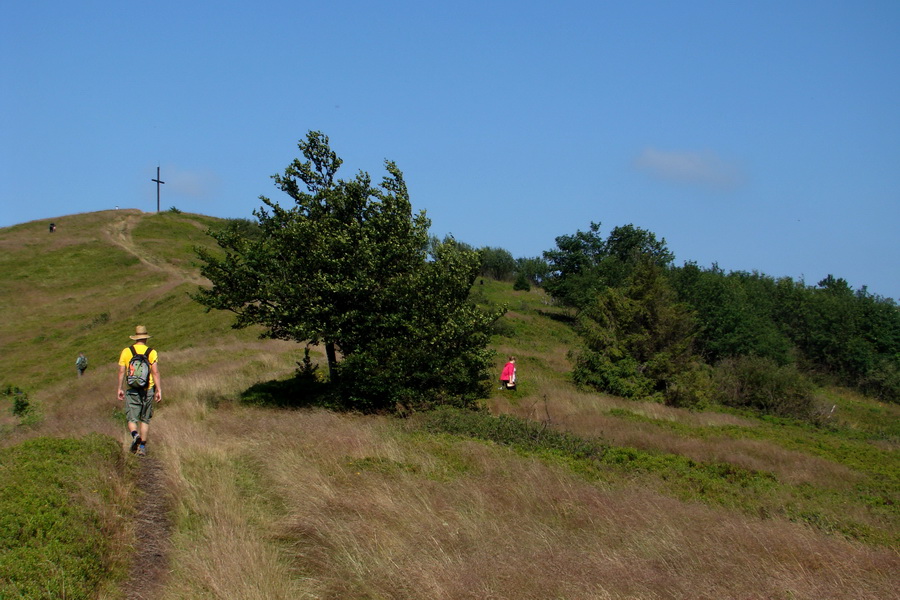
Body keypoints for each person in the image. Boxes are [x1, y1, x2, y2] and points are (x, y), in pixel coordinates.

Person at [117, 325, 162, 457]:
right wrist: (159, 390)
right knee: (145, 419)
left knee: (132, 418)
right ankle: (142, 447)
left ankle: (135, 435)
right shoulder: (151, 352)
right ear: (146, 338)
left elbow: (121, 371)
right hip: (148, 389)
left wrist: (119, 388)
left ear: (135, 337)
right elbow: (155, 372)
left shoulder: (126, 351)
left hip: (132, 389)